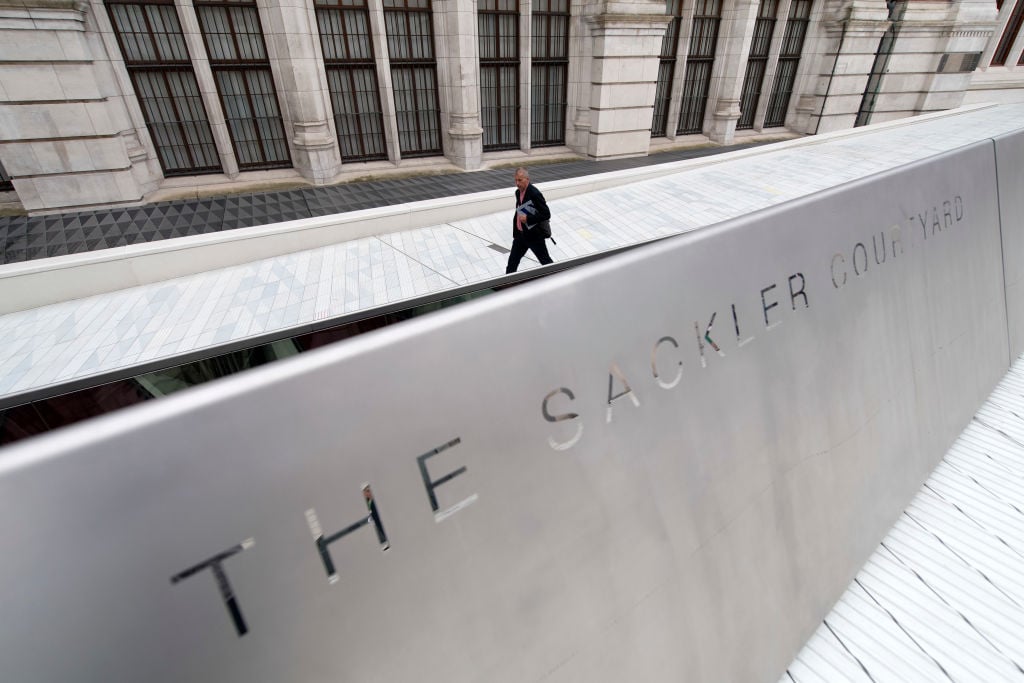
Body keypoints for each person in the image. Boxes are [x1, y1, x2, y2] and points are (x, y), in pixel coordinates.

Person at [506, 167, 554, 273]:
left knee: (546, 262)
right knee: (512, 263)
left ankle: (557, 280)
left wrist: (528, 218)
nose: (517, 183)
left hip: (534, 236)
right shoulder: (518, 193)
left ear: (527, 179)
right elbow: (520, 210)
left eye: (520, 180)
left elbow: (546, 214)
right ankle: (506, 284)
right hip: (520, 235)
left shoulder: (535, 194)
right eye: (516, 180)